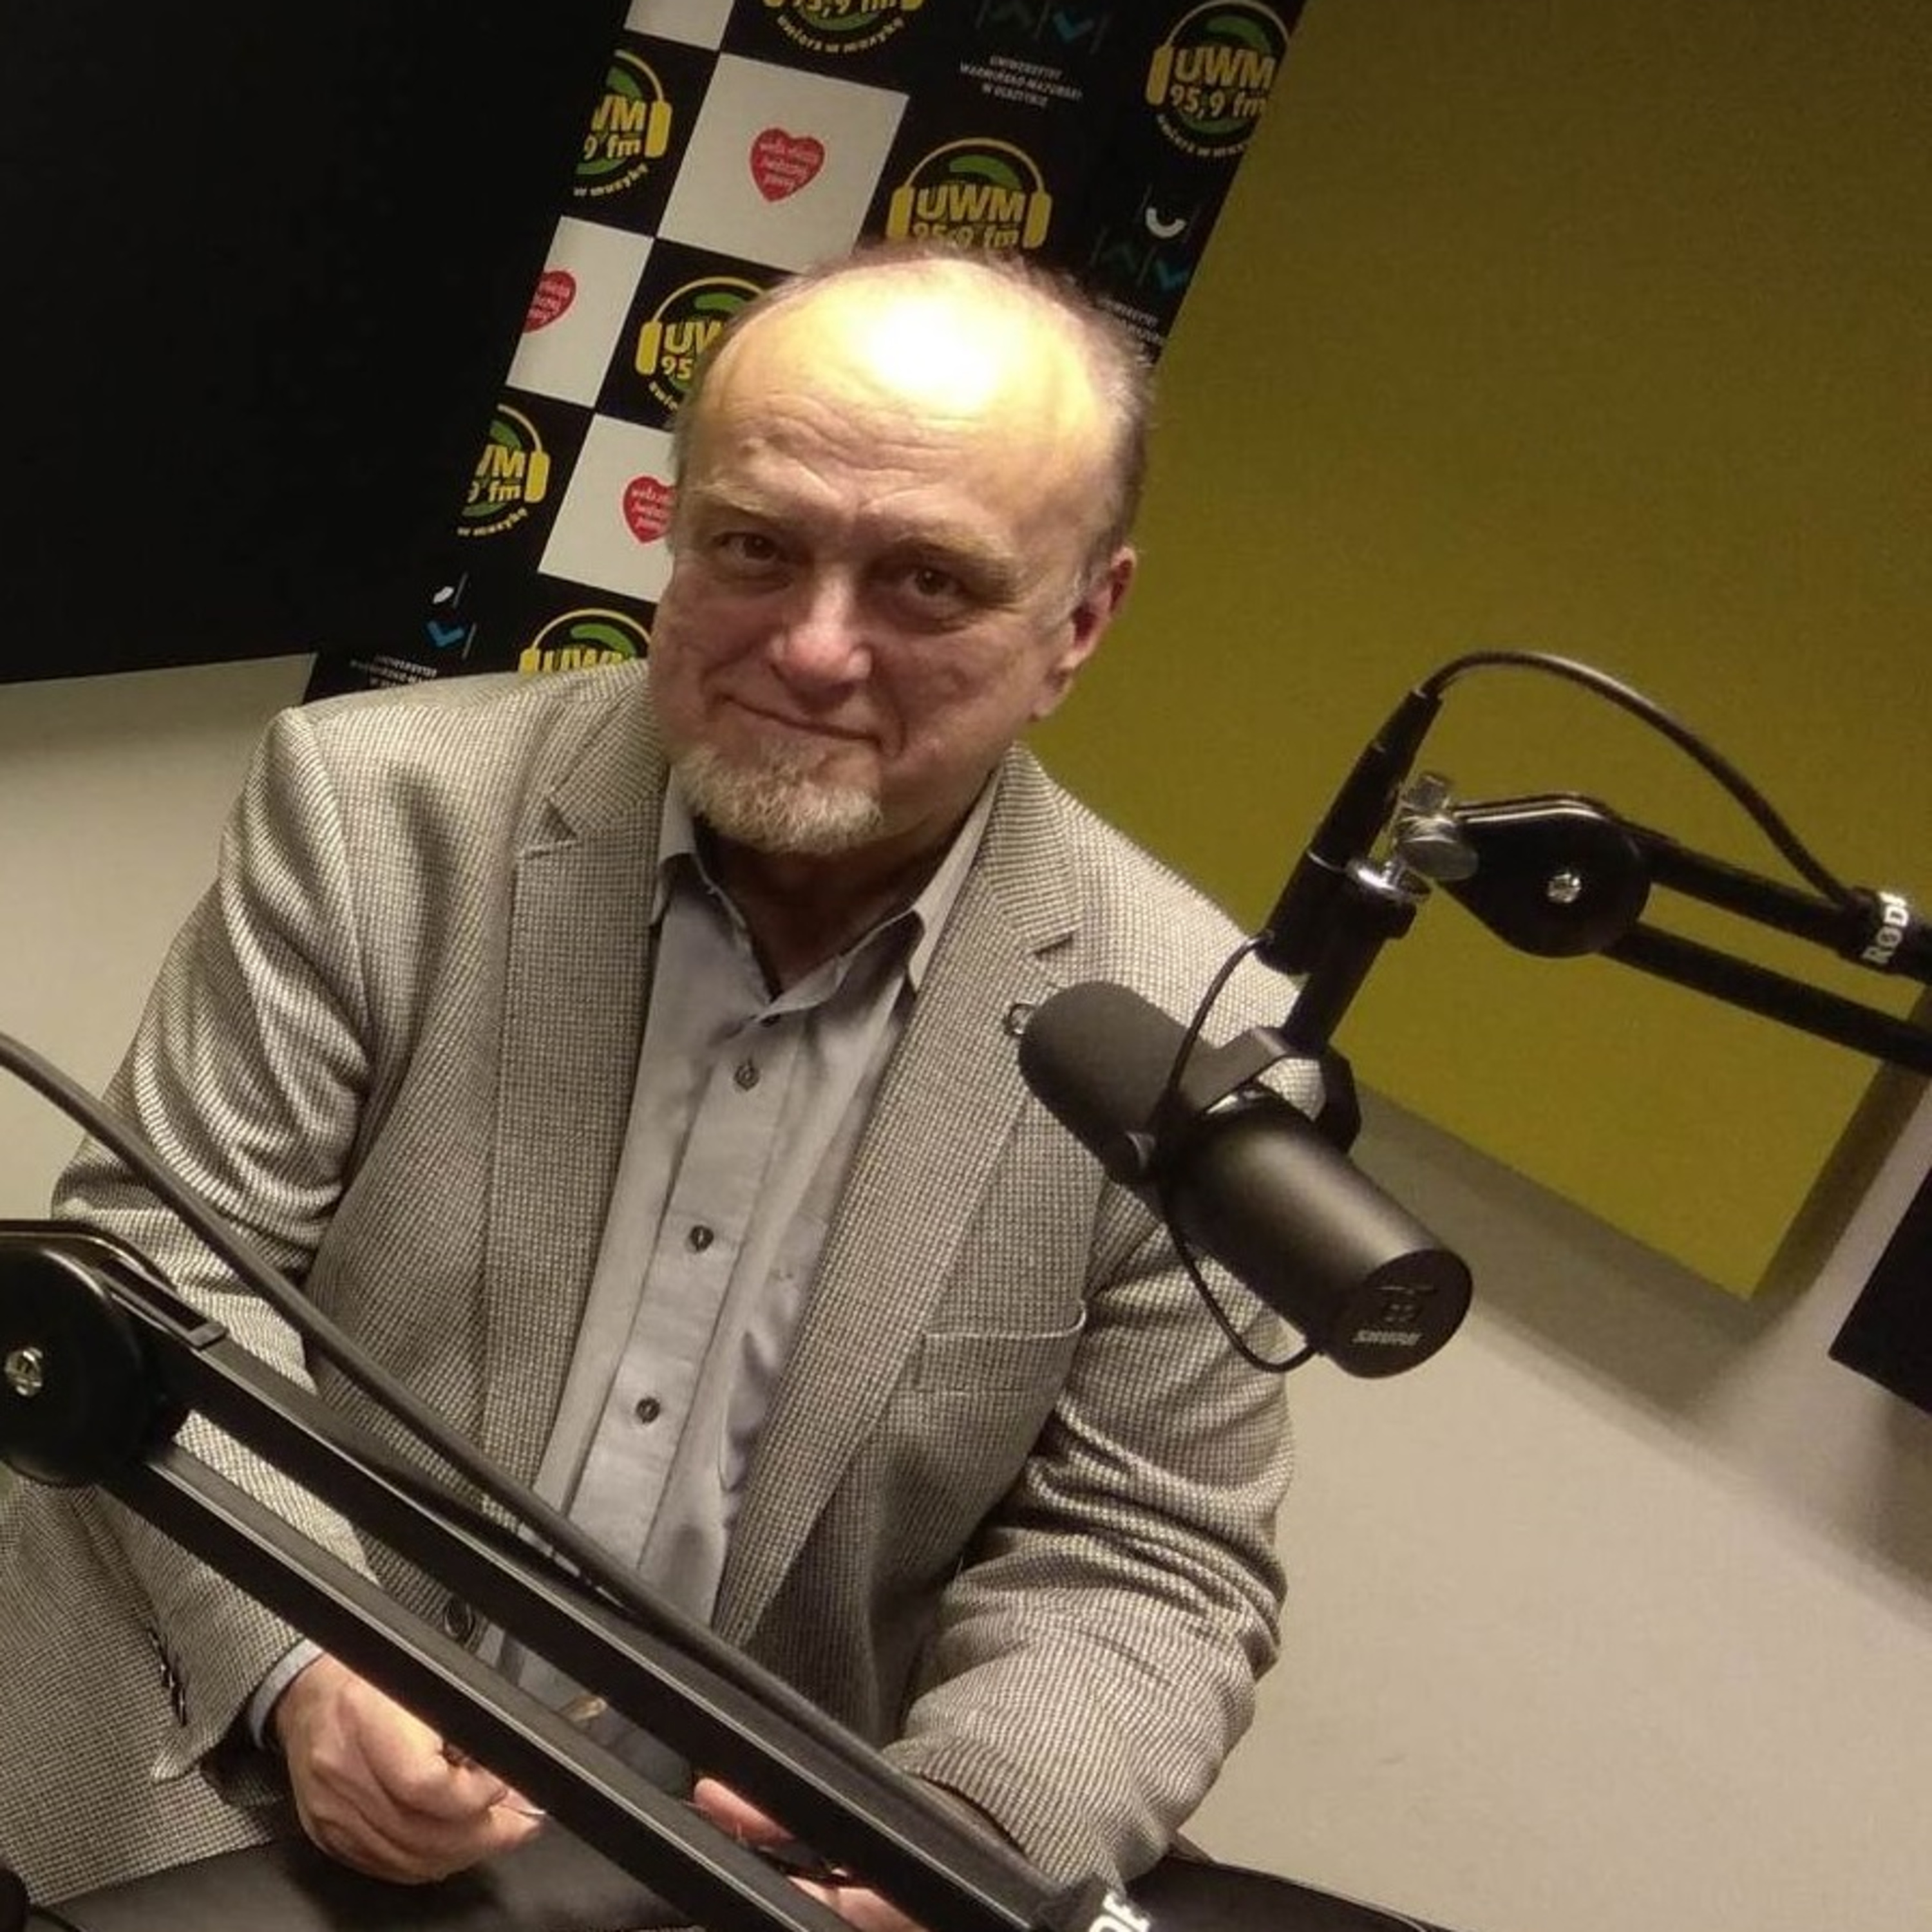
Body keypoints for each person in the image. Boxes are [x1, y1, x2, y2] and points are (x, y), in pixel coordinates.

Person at [0, 240, 1315, 1922]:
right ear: (677, 527)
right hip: (198, 1767)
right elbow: (157, 1275)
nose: (815, 651)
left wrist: (963, 1837)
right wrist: (311, 1661)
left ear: (1082, 620)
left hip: (722, 1877)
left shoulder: (1194, 1029)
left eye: (927, 584)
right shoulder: (377, 810)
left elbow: (1150, 1553)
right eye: (756, 548)